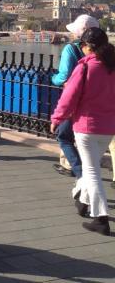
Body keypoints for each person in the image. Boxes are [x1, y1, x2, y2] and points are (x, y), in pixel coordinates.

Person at [51, 27, 115, 236]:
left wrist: (57, 119)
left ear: (87, 46)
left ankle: (101, 218)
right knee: (92, 166)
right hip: (108, 127)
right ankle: (82, 200)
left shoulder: (85, 68)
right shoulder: (112, 67)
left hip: (87, 127)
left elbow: (69, 97)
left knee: (91, 172)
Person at [51, 14, 99, 178]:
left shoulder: (71, 49)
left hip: (77, 103)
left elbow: (64, 77)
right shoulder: (106, 53)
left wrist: (53, 78)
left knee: (64, 136)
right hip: (100, 105)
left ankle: (80, 173)